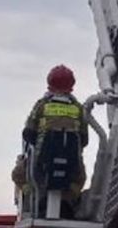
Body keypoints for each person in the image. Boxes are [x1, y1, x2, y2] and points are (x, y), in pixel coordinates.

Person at [22, 65, 88, 218]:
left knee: (22, 173)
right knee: (80, 177)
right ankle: (68, 201)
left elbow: (28, 132)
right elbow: (84, 139)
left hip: (42, 160)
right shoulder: (79, 108)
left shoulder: (42, 105)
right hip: (72, 162)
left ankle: (37, 201)